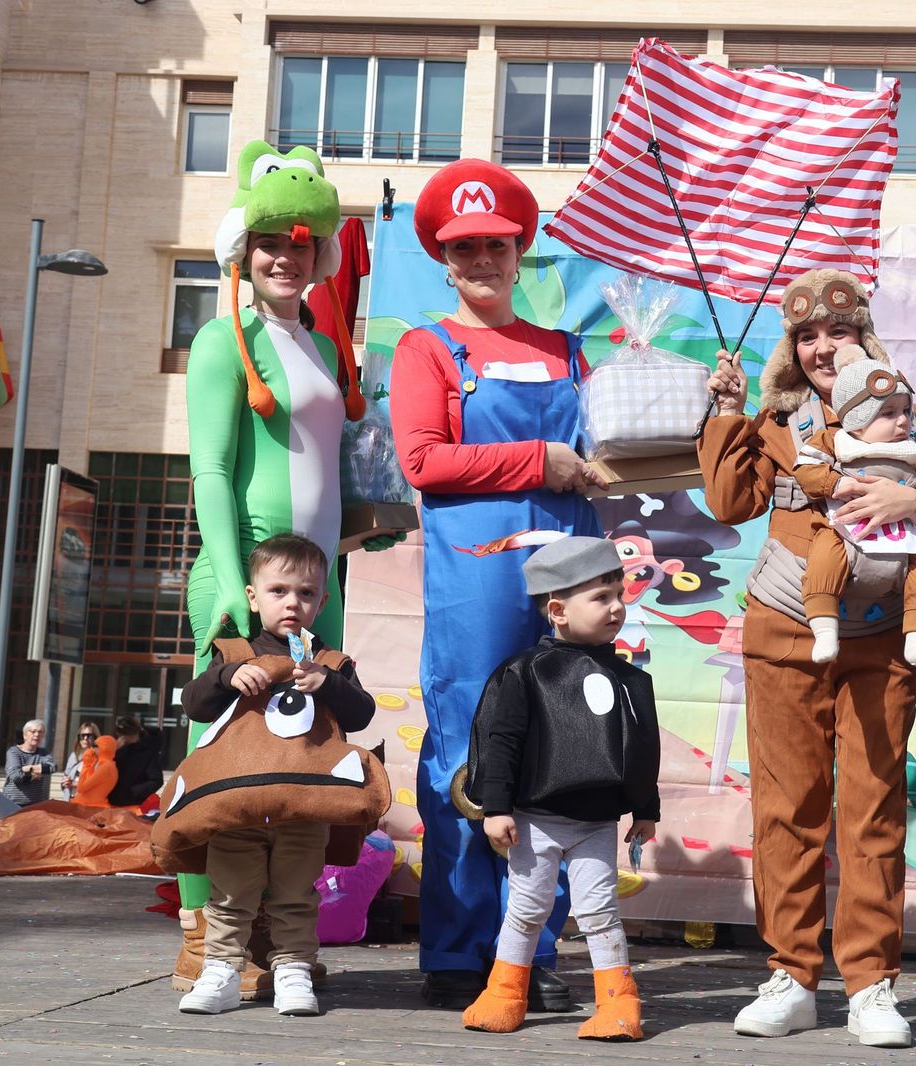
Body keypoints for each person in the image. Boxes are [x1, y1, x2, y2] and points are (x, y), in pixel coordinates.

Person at [699, 268, 916, 1049]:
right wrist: (726, 411)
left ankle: (871, 986)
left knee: (872, 809)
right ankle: (793, 976)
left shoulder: (909, 417)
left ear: (862, 337)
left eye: (837, 332)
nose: (821, 347)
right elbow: (728, 502)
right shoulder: (777, 422)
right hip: (786, 629)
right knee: (787, 809)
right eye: (805, 335)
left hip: (881, 640)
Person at [389, 158, 606, 1012]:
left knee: (559, 760)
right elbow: (422, 461)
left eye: (497, 245)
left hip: (570, 579)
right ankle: (455, 949)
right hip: (477, 587)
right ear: (446, 259)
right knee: (470, 755)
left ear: (523, 251)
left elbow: (614, 456)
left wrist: (700, 408)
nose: (482, 258)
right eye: (465, 246)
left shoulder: (570, 351)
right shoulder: (425, 346)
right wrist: (538, 460)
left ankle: (529, 954)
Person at [178, 137, 369, 991]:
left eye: (298, 245)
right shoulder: (225, 339)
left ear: (317, 252)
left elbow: (328, 468)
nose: (285, 258)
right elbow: (211, 470)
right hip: (243, 583)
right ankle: (202, 940)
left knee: (304, 750)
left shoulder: (326, 350)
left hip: (318, 583)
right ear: (242, 252)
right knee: (220, 751)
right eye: (269, 245)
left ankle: (275, 941)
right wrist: (231, 588)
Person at [460, 536, 660, 1040]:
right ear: (558, 610)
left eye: (619, 593)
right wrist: (496, 807)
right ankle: (504, 993)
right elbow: (502, 742)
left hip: (596, 822)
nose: (617, 606)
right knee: (527, 907)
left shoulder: (630, 679)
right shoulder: (524, 672)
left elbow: (642, 747)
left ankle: (618, 1004)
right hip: (534, 819)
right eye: (601, 597)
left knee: (599, 910)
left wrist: (646, 809)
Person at [175, 533, 376, 1017]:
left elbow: (364, 713)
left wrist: (328, 686)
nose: (292, 603)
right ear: (252, 596)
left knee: (296, 893)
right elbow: (193, 703)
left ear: (322, 601)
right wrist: (227, 678)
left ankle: (292, 969)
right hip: (237, 805)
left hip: (303, 808)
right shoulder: (234, 651)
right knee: (230, 892)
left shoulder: (331, 661)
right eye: (279, 591)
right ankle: (221, 968)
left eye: (305, 594)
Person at [792, 344, 916, 672]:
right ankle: (824, 628)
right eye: (888, 413)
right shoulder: (835, 441)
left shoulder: (914, 450)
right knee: (823, 558)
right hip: (845, 531)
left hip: (902, 539)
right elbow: (805, 466)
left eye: (906, 411)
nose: (903, 421)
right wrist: (835, 484)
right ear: (857, 421)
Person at [108, 714, 164, 808]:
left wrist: (133, 791)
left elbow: (156, 780)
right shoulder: (118, 748)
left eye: (125, 735)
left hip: (135, 804)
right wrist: (113, 751)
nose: (122, 738)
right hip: (112, 802)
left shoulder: (148, 751)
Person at [2, 719, 57, 807]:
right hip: (13, 804)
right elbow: (15, 776)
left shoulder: (44, 753)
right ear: (25, 735)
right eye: (33, 731)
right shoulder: (14, 752)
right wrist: (33, 776)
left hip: (36, 804)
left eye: (40, 732)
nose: (37, 735)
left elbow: (52, 767)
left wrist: (27, 768)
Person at [63, 722, 100, 800]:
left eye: (89, 736)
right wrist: (65, 782)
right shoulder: (73, 756)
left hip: (88, 802)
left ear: (95, 738)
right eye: (82, 736)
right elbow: (66, 776)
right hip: (71, 799)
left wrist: (77, 784)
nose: (85, 739)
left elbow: (98, 783)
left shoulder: (99, 758)